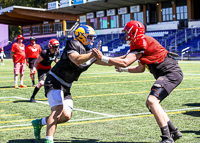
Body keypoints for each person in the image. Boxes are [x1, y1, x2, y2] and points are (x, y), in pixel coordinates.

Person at [92, 20, 183, 143]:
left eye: (126, 32)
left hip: (170, 73)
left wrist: (103, 58)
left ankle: (167, 138)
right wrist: (120, 69)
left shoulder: (140, 41)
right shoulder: (140, 43)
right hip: (168, 73)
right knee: (150, 104)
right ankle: (174, 132)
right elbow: (140, 69)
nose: (124, 35)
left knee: (152, 101)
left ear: (133, 32)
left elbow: (125, 62)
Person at [31, 25, 114, 143]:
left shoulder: (87, 51)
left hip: (66, 86)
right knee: (58, 109)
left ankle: (40, 122)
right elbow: (77, 59)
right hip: (54, 80)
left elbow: (108, 61)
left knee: (66, 116)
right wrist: (92, 54)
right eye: (89, 37)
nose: (92, 40)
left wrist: (125, 60)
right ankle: (49, 140)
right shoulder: (72, 44)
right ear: (81, 36)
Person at [29, 39, 60, 103]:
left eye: (57, 46)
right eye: (55, 46)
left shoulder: (57, 52)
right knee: (41, 83)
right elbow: (37, 61)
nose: (57, 48)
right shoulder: (44, 52)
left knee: (55, 81)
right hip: (41, 68)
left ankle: (50, 95)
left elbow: (55, 60)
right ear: (50, 46)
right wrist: (33, 70)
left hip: (49, 68)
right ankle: (32, 97)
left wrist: (60, 64)